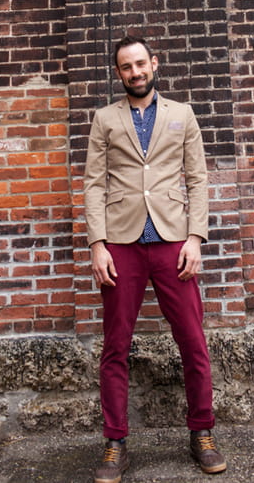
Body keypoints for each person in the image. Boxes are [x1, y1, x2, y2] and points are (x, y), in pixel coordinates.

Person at [84, 34, 227, 483]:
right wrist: (97, 245)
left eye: (141, 64)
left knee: (192, 340)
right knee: (115, 346)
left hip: (172, 241)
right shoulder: (105, 118)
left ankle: (202, 432)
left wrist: (196, 238)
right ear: (118, 72)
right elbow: (93, 184)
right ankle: (115, 442)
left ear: (155, 64)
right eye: (126, 67)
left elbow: (198, 179)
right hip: (121, 244)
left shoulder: (181, 115)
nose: (135, 72)